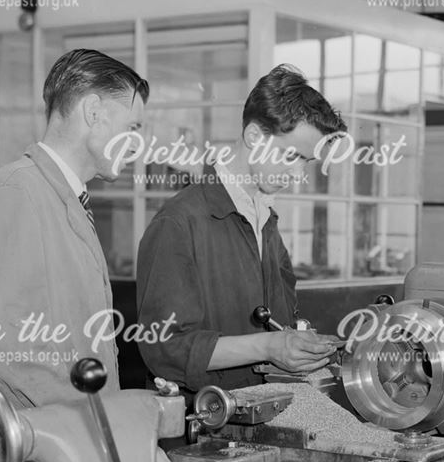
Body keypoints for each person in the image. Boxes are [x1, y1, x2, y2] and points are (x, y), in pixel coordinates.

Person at [136, 65, 344, 393]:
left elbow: (278, 322)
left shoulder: (266, 221)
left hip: (264, 412)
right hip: (202, 425)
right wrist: (269, 346)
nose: (297, 173)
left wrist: (296, 342)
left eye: (306, 161)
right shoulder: (178, 222)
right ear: (253, 136)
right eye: (292, 155)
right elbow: (163, 349)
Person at [0, 50, 147, 408]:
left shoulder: (63, 195)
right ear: (94, 112)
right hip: (37, 444)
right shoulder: (17, 191)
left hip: (67, 437)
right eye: (132, 128)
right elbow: (7, 346)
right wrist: (100, 428)